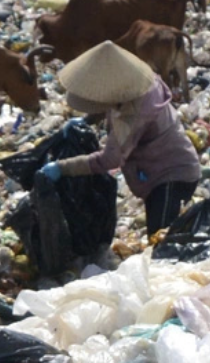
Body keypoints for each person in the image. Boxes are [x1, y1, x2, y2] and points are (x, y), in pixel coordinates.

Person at [53, 40, 201, 239]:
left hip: (172, 175)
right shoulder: (142, 84)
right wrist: (86, 121)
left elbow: (109, 160)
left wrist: (62, 168)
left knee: (160, 242)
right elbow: (112, 106)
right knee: (162, 236)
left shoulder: (133, 114)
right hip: (157, 173)